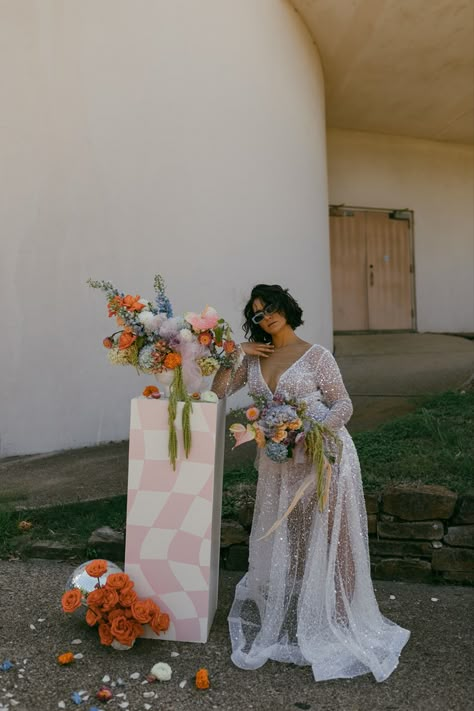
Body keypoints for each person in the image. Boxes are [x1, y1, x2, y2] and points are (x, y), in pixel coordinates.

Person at [211, 284, 410, 682]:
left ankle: (337, 619)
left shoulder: (316, 355)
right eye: (257, 313)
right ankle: (301, 617)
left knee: (334, 537)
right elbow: (217, 391)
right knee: (294, 538)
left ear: (286, 308)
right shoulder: (253, 361)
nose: (266, 316)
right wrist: (237, 353)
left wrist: (310, 433)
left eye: (271, 308)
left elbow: (344, 403)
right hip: (280, 464)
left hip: (324, 455)